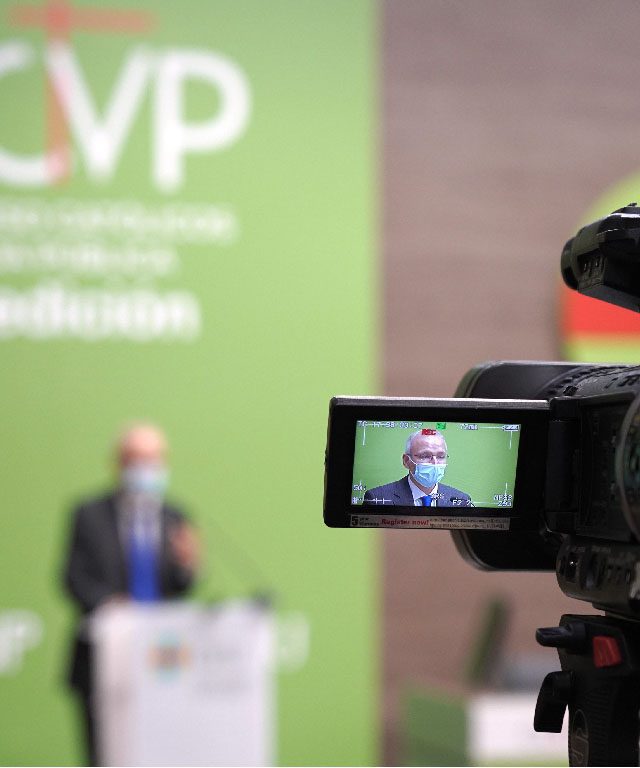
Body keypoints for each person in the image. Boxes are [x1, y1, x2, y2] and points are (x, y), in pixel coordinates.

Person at [62, 423, 201, 766]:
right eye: (137, 459)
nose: (145, 469)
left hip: (160, 654)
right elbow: (73, 578)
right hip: (102, 654)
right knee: (104, 753)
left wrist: (189, 566)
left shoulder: (175, 516)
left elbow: (180, 586)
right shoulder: (88, 514)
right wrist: (110, 606)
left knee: (161, 750)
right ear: (119, 463)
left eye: (153, 460)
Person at [363, 428, 472, 507]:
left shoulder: (461, 500)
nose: (434, 463)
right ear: (406, 461)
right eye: (425, 456)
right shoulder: (376, 498)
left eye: (441, 456)